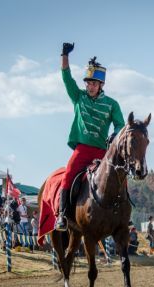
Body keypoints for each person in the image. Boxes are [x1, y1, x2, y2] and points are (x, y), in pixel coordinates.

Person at [55, 42, 125, 231]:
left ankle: (123, 215)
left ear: (101, 84)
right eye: (88, 83)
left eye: (94, 83)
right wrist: (64, 56)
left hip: (103, 151)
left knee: (119, 177)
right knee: (68, 174)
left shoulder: (112, 104)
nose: (90, 86)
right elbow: (66, 78)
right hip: (83, 149)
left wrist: (114, 135)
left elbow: (121, 124)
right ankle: (62, 215)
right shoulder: (78, 97)